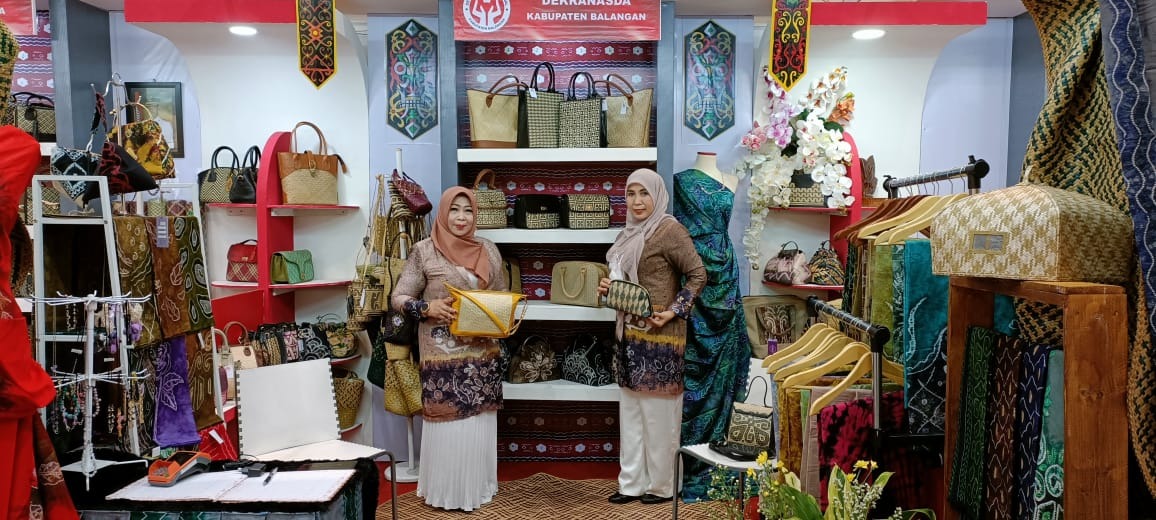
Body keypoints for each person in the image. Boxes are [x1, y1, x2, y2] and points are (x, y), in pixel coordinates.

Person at [391, 186, 506, 512]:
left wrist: (497, 312)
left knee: (477, 422)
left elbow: (500, 294)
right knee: (449, 423)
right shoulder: (424, 251)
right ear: (443, 213)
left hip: (482, 355)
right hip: (443, 357)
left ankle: (476, 488)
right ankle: (447, 492)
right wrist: (426, 308)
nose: (461, 217)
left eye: (468, 210)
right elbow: (398, 298)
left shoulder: (489, 249)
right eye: (454, 209)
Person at [598, 168, 707, 505]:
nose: (637, 201)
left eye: (644, 193)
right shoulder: (627, 233)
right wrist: (609, 287)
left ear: (657, 195)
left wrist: (674, 311)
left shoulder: (669, 230)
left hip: (661, 339)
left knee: (658, 417)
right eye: (631, 193)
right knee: (631, 414)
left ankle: (662, 486)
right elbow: (625, 280)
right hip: (628, 336)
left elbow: (698, 275)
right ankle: (631, 484)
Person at [674, 152, 750, 501]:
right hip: (692, 273)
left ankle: (723, 460)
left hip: (726, 280)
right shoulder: (678, 182)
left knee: (727, 364)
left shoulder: (732, 179)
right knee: (692, 365)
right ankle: (689, 462)